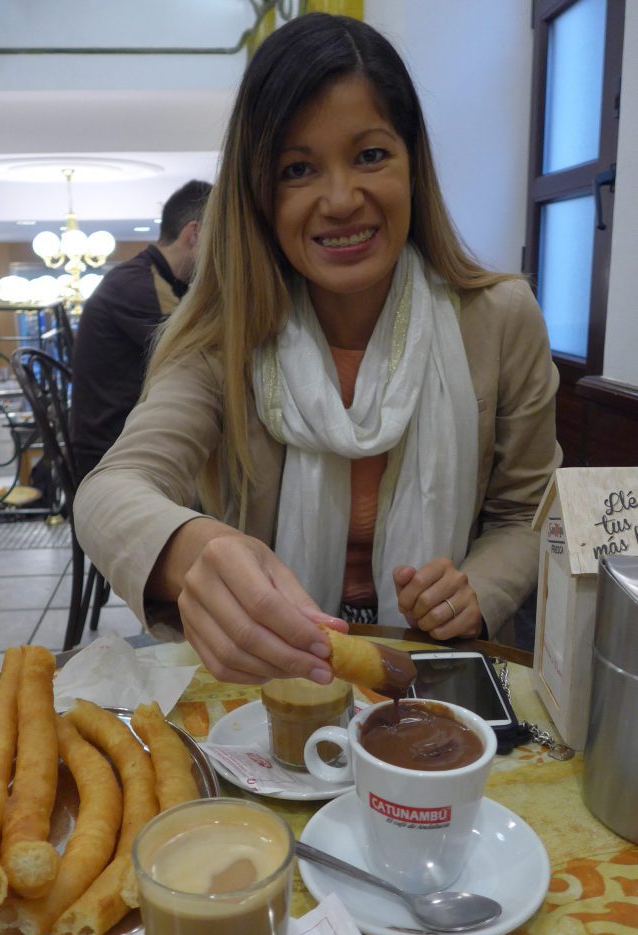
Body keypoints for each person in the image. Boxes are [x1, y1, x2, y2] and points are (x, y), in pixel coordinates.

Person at [75, 13, 561, 687]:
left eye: (369, 155)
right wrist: (197, 550)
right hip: (266, 680)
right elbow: (109, 491)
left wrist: (477, 587)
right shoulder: (224, 339)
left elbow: (527, 514)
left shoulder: (499, 319)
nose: (340, 200)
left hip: (437, 675)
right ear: (259, 195)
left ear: (411, 164)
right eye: (297, 169)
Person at [70, 179, 212, 479]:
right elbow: (201, 358)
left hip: (125, 443)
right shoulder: (139, 286)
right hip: (113, 458)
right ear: (195, 233)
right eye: (223, 237)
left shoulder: (155, 280)